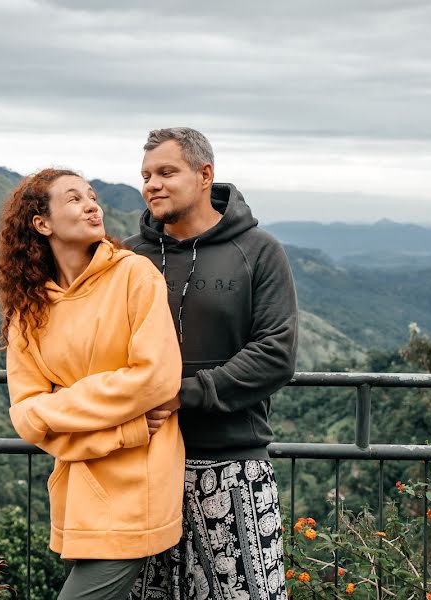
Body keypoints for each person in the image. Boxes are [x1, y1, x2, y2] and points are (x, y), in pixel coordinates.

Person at [0, 168, 185, 600]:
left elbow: (157, 378)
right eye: (74, 199)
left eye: (92, 196)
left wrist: (61, 403)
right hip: (79, 485)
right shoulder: (29, 307)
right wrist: (125, 426)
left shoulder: (135, 275)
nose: (92, 205)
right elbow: (26, 415)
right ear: (42, 224)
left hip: (139, 482)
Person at [125, 128, 299, 600]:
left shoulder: (260, 251)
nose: (152, 184)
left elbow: (276, 352)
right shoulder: (127, 258)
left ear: (205, 175)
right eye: (146, 175)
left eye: (166, 172)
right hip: (141, 465)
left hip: (231, 465)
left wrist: (182, 394)